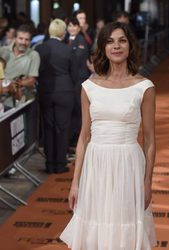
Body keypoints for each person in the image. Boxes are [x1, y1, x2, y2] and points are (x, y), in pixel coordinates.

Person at [60, 21, 157, 249]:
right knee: (96, 227)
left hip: (128, 166)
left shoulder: (144, 87)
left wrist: (147, 182)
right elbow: (84, 138)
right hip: (96, 166)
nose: (116, 46)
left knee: (124, 225)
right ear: (103, 47)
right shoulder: (89, 86)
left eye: (122, 40)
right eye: (110, 41)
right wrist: (75, 183)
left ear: (130, 46)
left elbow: (150, 140)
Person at [35, 19, 77, 174]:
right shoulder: (68, 49)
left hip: (46, 92)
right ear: (63, 32)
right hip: (64, 92)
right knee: (62, 128)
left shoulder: (39, 49)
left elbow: (36, 72)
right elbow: (74, 74)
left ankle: (50, 164)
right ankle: (59, 164)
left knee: (48, 128)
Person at [66, 17, 91, 149]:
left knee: (78, 108)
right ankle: (73, 135)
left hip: (80, 79)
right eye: (69, 26)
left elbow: (78, 59)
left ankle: (77, 136)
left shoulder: (81, 41)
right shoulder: (66, 40)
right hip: (70, 79)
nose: (72, 28)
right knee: (73, 108)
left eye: (74, 26)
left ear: (78, 27)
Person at [0, 24, 40, 102]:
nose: (23, 42)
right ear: (15, 39)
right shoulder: (2, 51)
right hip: (2, 98)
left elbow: (32, 80)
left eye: (26, 39)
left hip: (23, 99)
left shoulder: (34, 55)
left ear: (30, 41)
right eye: (20, 38)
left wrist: (15, 84)